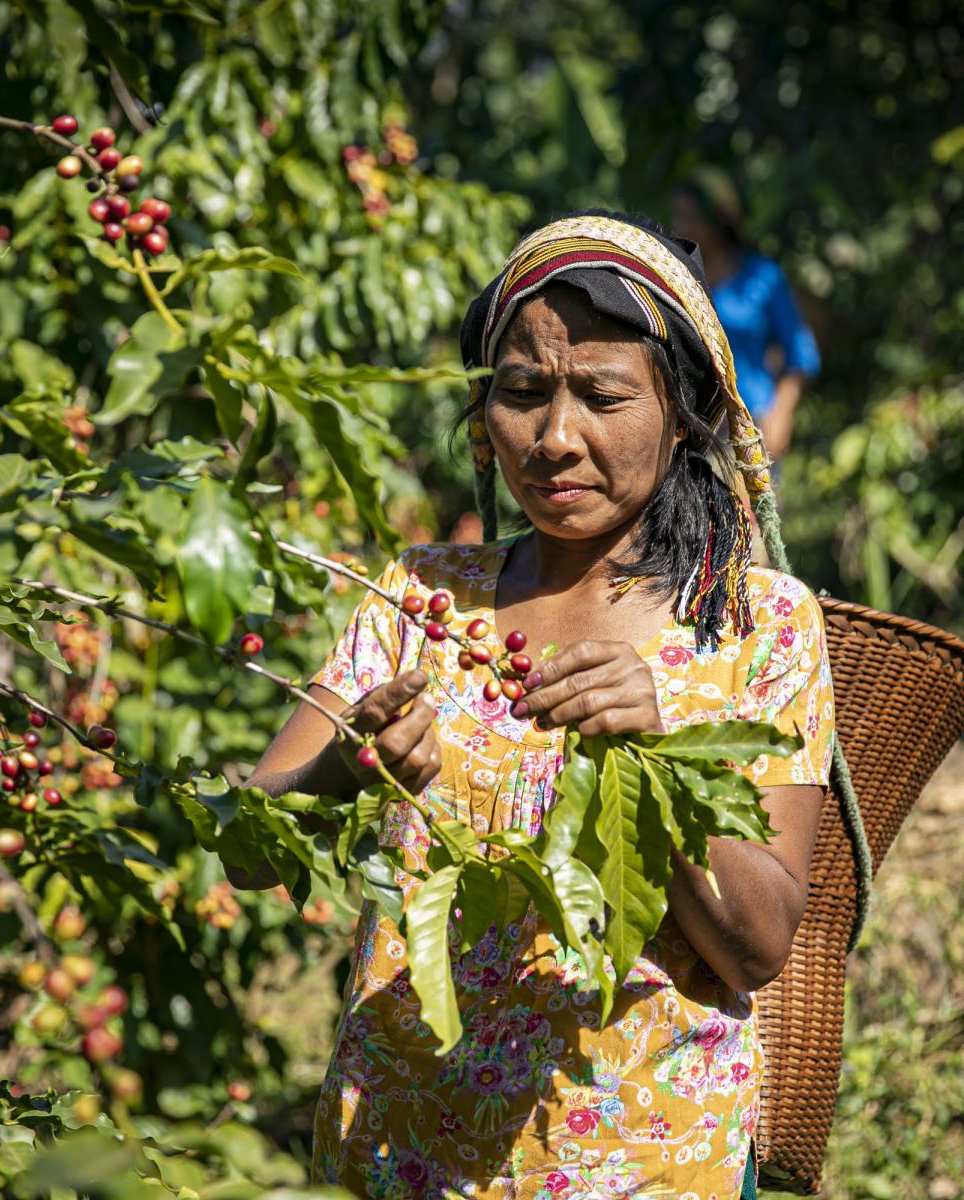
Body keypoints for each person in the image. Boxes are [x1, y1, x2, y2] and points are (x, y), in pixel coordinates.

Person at [235, 212, 835, 1200]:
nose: (556, 438)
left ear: (682, 412)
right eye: (522, 394)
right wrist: (345, 765)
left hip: (643, 1162)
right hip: (402, 1152)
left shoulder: (754, 624)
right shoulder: (422, 600)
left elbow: (759, 942)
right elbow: (247, 846)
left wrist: (660, 757)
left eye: (602, 395)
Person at [670, 169, 821, 465]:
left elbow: (801, 353)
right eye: (677, 216)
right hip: (689, 432)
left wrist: (782, 414)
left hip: (750, 430)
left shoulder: (761, 278)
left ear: (717, 220)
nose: (680, 227)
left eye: (690, 217)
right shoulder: (677, 280)